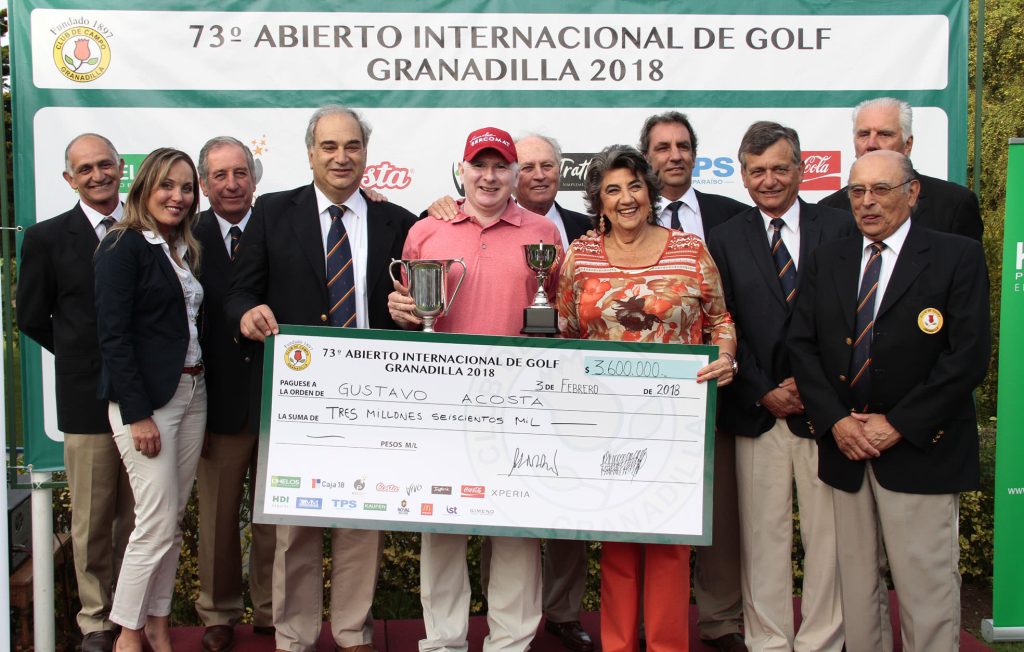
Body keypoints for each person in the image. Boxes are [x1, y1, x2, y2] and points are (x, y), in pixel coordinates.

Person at [225, 105, 418, 652]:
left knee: (362, 520)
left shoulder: (397, 221)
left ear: (365, 154)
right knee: (295, 527)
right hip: (297, 398)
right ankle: (293, 635)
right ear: (310, 153)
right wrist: (245, 314)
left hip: (373, 395)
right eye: (329, 147)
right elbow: (239, 290)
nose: (341, 157)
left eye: (352, 146)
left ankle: (353, 631)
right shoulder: (270, 213)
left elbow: (418, 298)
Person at [788, 150, 990, 652]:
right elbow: (802, 345)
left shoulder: (955, 257)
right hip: (846, 450)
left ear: (912, 192)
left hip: (923, 450)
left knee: (927, 592)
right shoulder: (828, 257)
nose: (867, 202)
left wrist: (897, 424)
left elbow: (967, 358)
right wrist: (836, 421)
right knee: (857, 593)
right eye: (857, 191)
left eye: (881, 190)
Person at [556, 144, 736, 652]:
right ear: (598, 201)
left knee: (670, 547)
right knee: (615, 543)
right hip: (606, 423)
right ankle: (616, 645)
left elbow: (721, 320)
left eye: (634, 185)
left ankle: (665, 646)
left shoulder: (690, 250)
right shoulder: (580, 254)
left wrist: (726, 358)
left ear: (650, 192)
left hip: (677, 421)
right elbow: (569, 334)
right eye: (613, 189)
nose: (626, 198)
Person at [388, 126, 561, 652]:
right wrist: (401, 315)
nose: (489, 177)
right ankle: (443, 642)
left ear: (514, 174)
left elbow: (557, 314)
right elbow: (412, 312)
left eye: (500, 166)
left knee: (514, 529)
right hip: (440, 402)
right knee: (440, 526)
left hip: (518, 401)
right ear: (461, 170)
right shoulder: (426, 231)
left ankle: (510, 642)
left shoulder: (545, 235)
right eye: (478, 166)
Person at [708, 122, 852, 651]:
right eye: (757, 171)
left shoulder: (841, 228)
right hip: (758, 409)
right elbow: (721, 323)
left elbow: (853, 319)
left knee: (828, 539)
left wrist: (814, 389)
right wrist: (763, 388)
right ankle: (768, 638)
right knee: (762, 538)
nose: (769, 180)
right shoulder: (724, 238)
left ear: (800, 168)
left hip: (827, 413)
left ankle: (822, 640)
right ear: (743, 176)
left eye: (779, 168)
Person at [16, 133, 134, 652]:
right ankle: (95, 620)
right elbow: (30, 315)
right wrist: (81, 354)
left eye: (105, 164)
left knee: (138, 519)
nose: (97, 175)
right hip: (85, 396)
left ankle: (134, 612)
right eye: (84, 169)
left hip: (149, 397)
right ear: (69, 179)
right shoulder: (46, 237)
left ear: (120, 169)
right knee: (91, 516)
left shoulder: (148, 226)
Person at [640, 111, 747, 652]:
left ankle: (719, 620)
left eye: (684, 145)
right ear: (646, 157)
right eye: (662, 147)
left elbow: (731, 309)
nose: (674, 155)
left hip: (713, 395)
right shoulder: (618, 218)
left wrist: (730, 358)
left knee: (718, 520)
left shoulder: (731, 216)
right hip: (637, 409)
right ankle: (640, 622)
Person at [94, 148, 207, 652]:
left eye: (186, 187)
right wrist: (137, 413)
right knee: (156, 521)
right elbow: (113, 336)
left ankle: (159, 623)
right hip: (148, 403)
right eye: (167, 185)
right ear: (143, 188)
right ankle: (127, 632)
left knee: (172, 516)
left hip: (193, 390)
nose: (177, 196)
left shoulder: (178, 248)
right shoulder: (123, 245)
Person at [192, 136, 275, 651]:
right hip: (215, 401)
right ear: (203, 184)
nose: (231, 184)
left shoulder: (277, 224)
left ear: (254, 177)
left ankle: (270, 609)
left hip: (276, 400)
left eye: (240, 173)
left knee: (273, 516)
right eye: (219, 175)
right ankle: (218, 613)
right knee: (218, 518)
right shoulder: (185, 234)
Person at [819, 97, 982, 241]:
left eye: (884, 134)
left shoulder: (953, 205)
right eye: (863, 134)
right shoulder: (829, 209)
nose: (871, 144)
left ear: (908, 144)